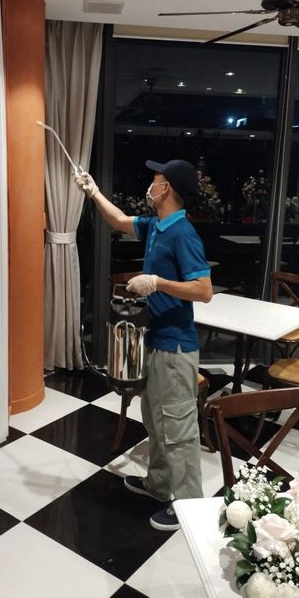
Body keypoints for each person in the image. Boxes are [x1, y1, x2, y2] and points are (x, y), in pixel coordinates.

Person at [75, 159, 212, 531]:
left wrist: (157, 282)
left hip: (175, 349)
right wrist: (93, 192)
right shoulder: (156, 226)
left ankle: (189, 506)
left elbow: (204, 291)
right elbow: (120, 220)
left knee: (178, 428)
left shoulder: (183, 234)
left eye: (155, 178)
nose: (150, 183)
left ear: (166, 188)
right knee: (155, 418)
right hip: (155, 340)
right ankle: (160, 484)